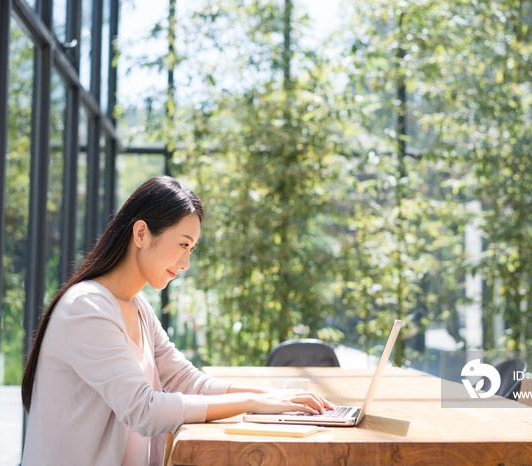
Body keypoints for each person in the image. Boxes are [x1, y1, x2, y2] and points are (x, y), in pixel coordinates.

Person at [20, 176, 334, 465]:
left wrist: (275, 398)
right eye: (183, 244)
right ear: (141, 233)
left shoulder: (136, 305)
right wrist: (251, 403)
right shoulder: (87, 307)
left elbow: (187, 381)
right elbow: (144, 410)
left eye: (192, 249)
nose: (185, 263)